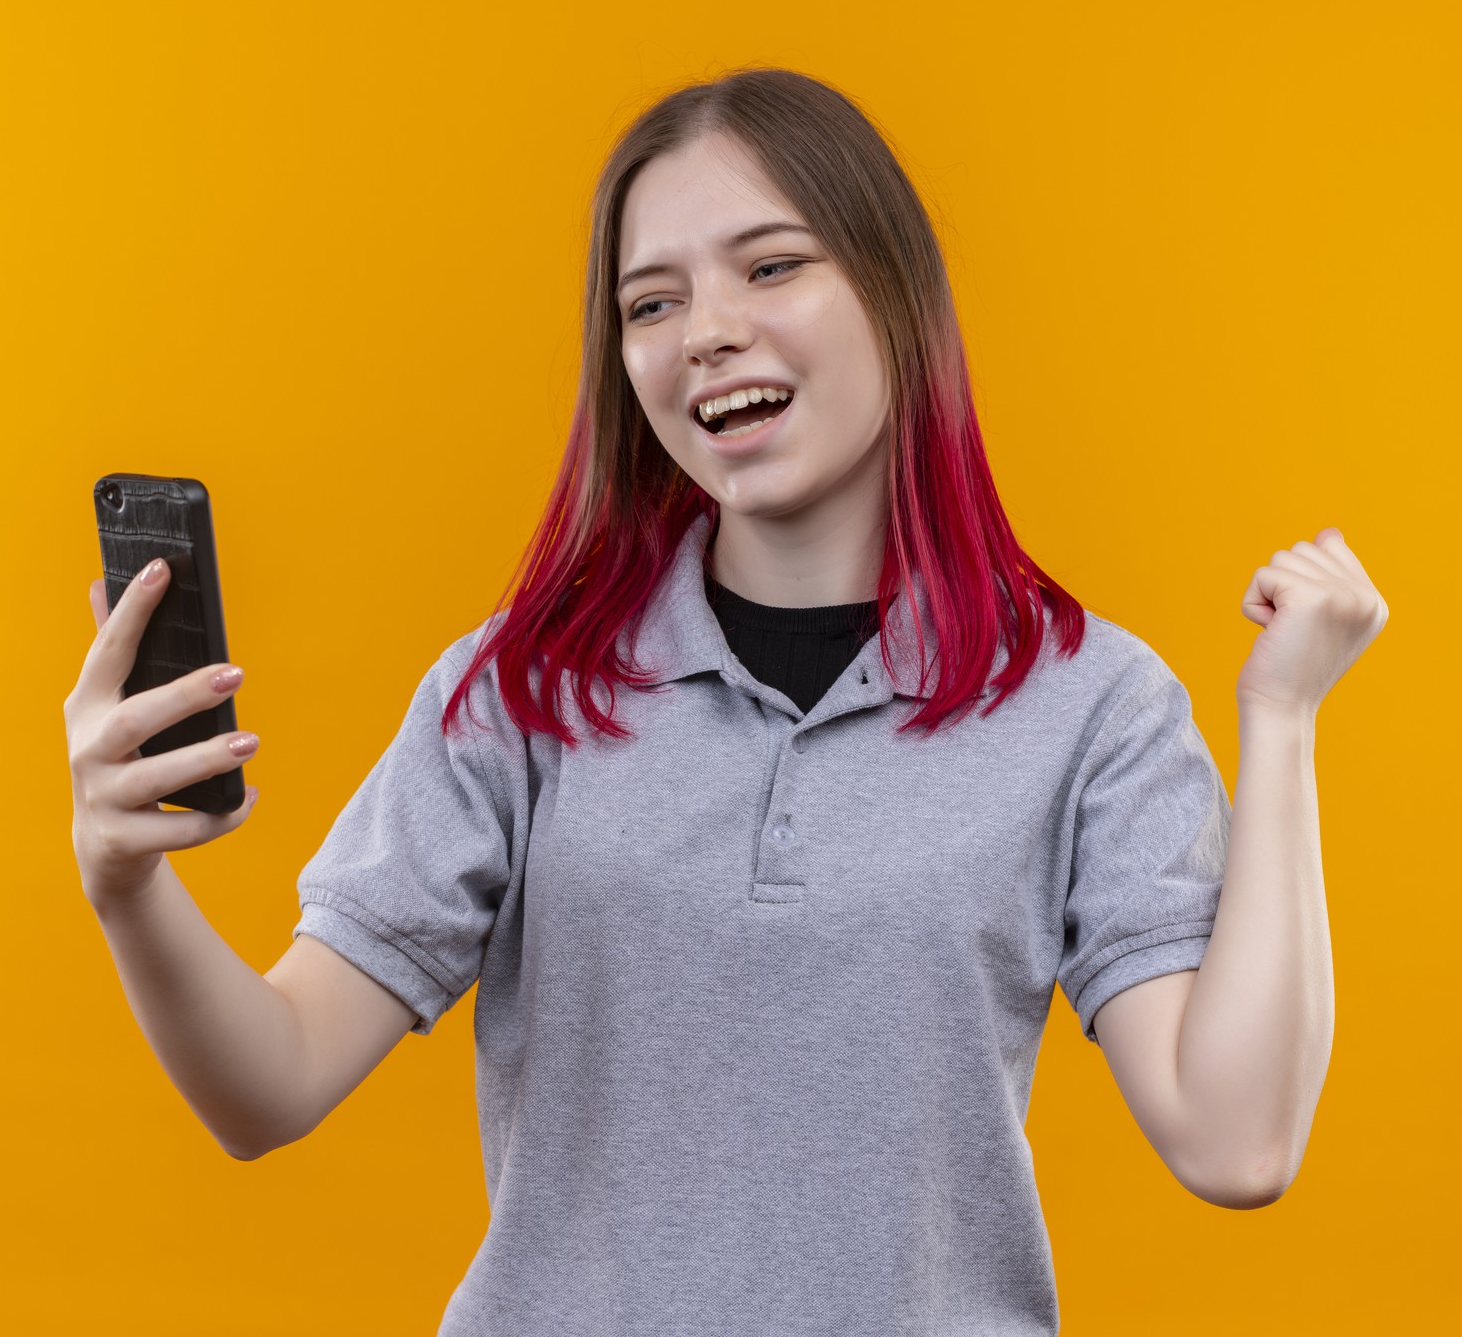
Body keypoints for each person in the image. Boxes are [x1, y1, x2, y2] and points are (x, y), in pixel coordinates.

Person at [66, 67, 1364, 1335]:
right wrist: (129, 882)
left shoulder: (1087, 702)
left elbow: (1237, 1136)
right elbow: (269, 1083)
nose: (706, 331)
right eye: (650, 301)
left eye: (771, 265)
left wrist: (1283, 717)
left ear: (897, 292)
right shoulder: (524, 688)